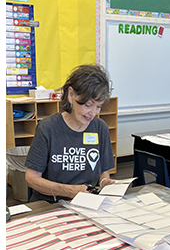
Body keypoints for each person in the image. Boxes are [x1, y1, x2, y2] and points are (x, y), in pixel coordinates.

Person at [25, 64, 116, 203]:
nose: (93, 113)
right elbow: (31, 179)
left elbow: (103, 172)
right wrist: (69, 191)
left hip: (86, 202)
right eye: (87, 105)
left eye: (98, 107)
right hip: (49, 204)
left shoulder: (100, 128)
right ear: (71, 94)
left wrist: (104, 182)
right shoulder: (47, 128)